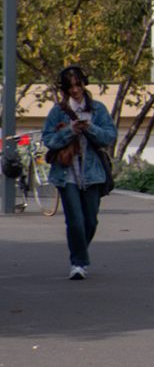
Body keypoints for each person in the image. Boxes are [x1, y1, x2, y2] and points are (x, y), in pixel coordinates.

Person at [40, 66, 116, 281]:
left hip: (93, 173)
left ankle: (79, 252)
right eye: (70, 86)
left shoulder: (98, 109)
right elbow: (48, 139)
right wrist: (69, 131)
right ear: (64, 89)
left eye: (77, 85)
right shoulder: (58, 111)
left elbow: (109, 137)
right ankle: (78, 263)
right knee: (75, 221)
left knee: (90, 221)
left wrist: (90, 128)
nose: (74, 90)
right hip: (67, 173)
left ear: (84, 84)